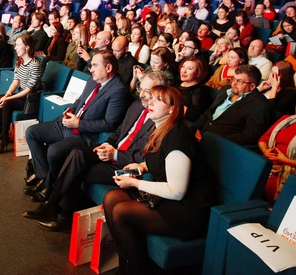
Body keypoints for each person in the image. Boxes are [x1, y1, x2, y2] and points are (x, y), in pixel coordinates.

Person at [22, 72, 170, 231]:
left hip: (128, 168)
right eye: (141, 88)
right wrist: (107, 145)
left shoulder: (162, 120)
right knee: (76, 154)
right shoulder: (136, 106)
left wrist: (115, 154)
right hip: (112, 152)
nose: (141, 94)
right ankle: (51, 206)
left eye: (147, 91)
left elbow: (147, 158)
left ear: (160, 92)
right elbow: (120, 131)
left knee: (75, 169)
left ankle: (61, 215)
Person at [102, 85, 213, 275]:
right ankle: (126, 262)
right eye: (151, 98)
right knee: (111, 198)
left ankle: (138, 270)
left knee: (121, 211)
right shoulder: (161, 128)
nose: (150, 102)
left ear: (172, 108)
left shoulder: (177, 138)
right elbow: (159, 159)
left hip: (188, 209)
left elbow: (177, 192)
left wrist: (135, 182)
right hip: (169, 199)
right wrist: (142, 167)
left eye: (159, 100)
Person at [24, 51, 131, 200]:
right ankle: (44, 178)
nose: (91, 69)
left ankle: (49, 187)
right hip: (69, 124)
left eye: (94, 65)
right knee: (31, 132)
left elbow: (109, 123)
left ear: (108, 68)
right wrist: (70, 111)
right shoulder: (93, 80)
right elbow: (79, 102)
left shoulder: (118, 90)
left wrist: (79, 123)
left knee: (54, 151)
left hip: (85, 135)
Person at [197, 65, 276, 146]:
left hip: (221, 146)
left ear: (252, 86)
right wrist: (197, 128)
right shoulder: (225, 90)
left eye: (239, 81)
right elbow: (209, 112)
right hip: (201, 136)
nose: (234, 83)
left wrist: (214, 140)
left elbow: (249, 136)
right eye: (234, 79)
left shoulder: (260, 106)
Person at [0, 34, 43, 153]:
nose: (15, 48)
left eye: (18, 45)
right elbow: (16, 81)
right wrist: (6, 95)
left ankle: (3, 139)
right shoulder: (19, 61)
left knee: (6, 103)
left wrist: (8, 99)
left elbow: (28, 90)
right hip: (21, 95)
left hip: (29, 100)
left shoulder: (35, 65)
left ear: (27, 47)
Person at [177, 56, 212, 124]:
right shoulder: (177, 83)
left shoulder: (199, 91)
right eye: (183, 66)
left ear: (198, 73)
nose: (184, 71)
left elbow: (193, 116)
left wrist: (174, 105)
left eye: (189, 68)